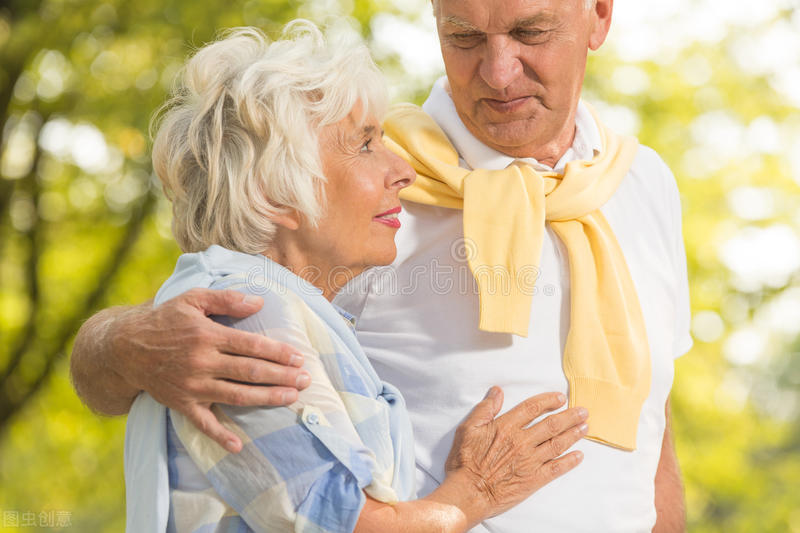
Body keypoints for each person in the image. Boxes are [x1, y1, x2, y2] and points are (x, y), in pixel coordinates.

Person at [71, 0, 693, 531]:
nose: (500, 72)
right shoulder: (369, 205)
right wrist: (127, 343)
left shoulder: (645, 186)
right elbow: (216, 312)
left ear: (599, 15)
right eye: (465, 37)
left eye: (530, 32)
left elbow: (650, 424)